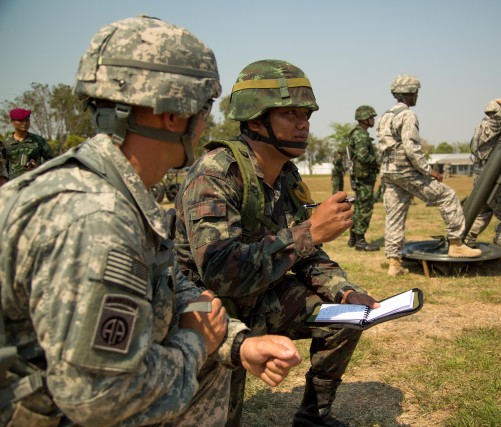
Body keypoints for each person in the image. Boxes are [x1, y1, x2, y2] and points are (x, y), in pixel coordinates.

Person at [0, 16, 301, 427]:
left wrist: (236, 342)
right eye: (204, 107)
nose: (205, 124)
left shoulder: (115, 190)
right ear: (174, 115)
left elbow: (174, 289)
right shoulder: (98, 220)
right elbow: (102, 397)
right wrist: (196, 343)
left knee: (214, 364)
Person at [173, 59, 380, 427]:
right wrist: (310, 231)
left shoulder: (286, 175)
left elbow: (307, 255)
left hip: (260, 297)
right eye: (289, 113)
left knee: (345, 319)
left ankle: (313, 415)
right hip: (206, 311)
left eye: (306, 114)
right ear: (254, 120)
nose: (304, 123)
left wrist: (346, 293)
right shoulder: (215, 173)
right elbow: (221, 274)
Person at [376, 74, 481, 276]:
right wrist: (428, 170)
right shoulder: (407, 115)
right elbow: (410, 147)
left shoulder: (385, 116)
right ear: (410, 93)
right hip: (406, 172)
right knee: (447, 195)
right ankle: (457, 244)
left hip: (389, 173)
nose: (417, 96)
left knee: (395, 216)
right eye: (416, 93)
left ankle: (394, 264)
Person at [465, 97, 501, 266]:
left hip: (481, 174)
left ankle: (465, 241)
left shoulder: (480, 127)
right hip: (490, 175)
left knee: (482, 213)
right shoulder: (492, 124)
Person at [347, 105, 380, 251]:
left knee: (360, 207)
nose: (373, 120)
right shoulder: (360, 135)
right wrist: (377, 160)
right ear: (364, 119)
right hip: (365, 177)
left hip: (362, 176)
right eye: (371, 117)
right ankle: (360, 241)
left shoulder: (360, 133)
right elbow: (363, 156)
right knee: (364, 208)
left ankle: (354, 238)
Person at [3, 108, 55, 179]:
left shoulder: (38, 140)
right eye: (20, 120)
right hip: (13, 184)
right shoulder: (5, 143)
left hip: (34, 182)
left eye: (27, 120)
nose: (24, 123)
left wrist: (38, 168)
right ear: (12, 121)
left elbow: (53, 160)